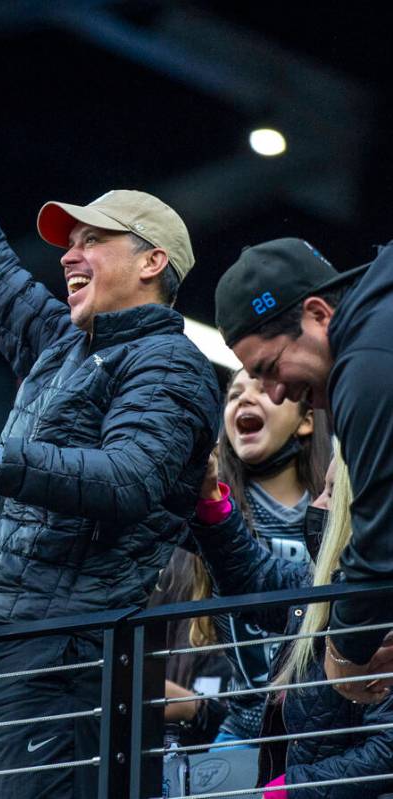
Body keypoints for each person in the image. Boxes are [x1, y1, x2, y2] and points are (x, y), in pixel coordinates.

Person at [0, 55, 221, 797]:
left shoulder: (170, 364)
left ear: (151, 261)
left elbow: (130, 478)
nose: (68, 254)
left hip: (62, 657)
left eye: (90, 240)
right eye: (67, 241)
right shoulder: (65, 342)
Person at [214, 237, 393, 690]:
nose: (276, 393)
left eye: (271, 367)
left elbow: (380, 544)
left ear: (318, 315)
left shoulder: (367, 364)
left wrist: (345, 655)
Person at [191, 452, 393, 799]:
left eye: (331, 492)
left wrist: (291, 790)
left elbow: (386, 751)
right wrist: (211, 499)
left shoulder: (380, 611)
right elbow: (253, 578)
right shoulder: (318, 584)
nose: (316, 503)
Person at [174, 367, 330, 746]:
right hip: (243, 729)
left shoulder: (333, 510)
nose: (244, 398)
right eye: (234, 395)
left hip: (328, 727)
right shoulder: (209, 510)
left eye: (263, 389)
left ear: (306, 420)